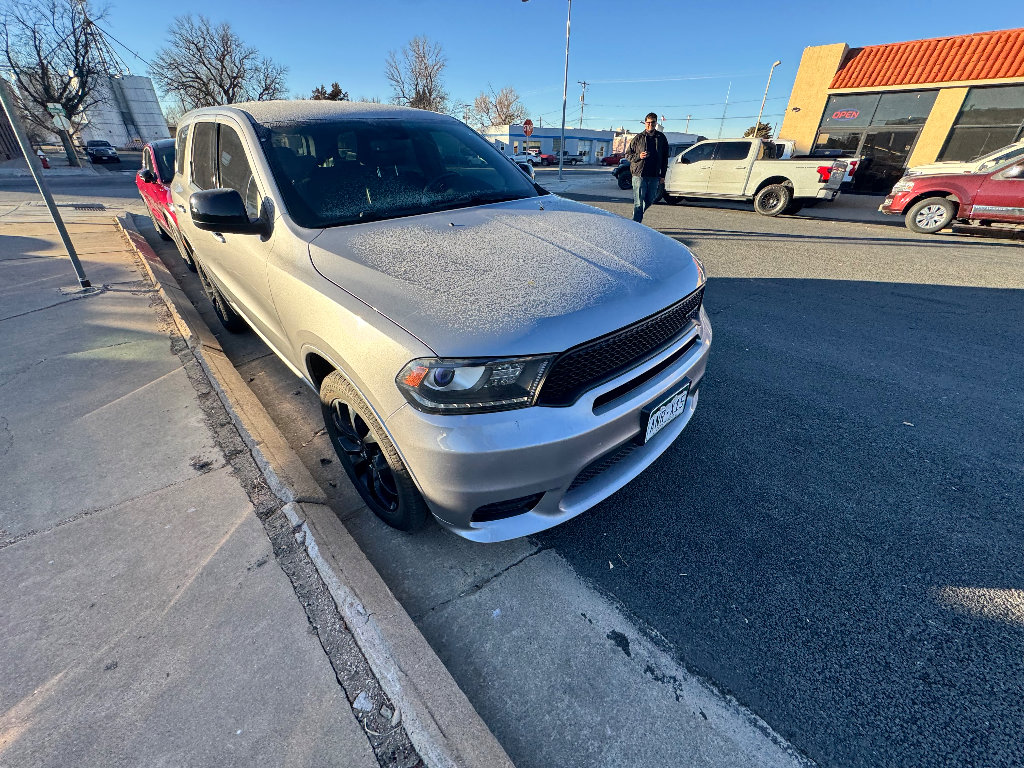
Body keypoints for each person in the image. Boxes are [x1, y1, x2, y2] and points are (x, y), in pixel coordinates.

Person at [626, 113, 669, 224]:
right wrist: (638, 156)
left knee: (650, 200)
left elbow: (665, 158)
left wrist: (663, 175)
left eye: (653, 122)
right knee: (639, 202)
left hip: (654, 175)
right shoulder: (638, 138)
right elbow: (627, 155)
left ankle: (637, 216)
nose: (650, 124)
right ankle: (636, 224)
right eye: (648, 122)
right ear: (645, 123)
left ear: (656, 123)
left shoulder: (661, 138)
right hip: (639, 174)